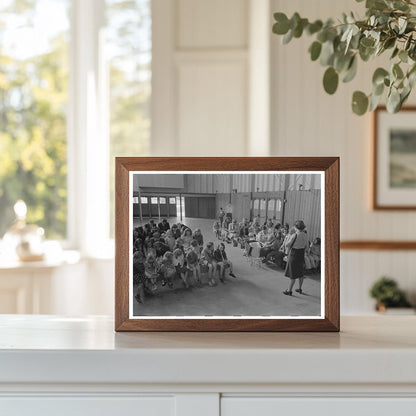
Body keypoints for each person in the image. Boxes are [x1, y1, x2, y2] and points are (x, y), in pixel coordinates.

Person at [283, 220, 309, 296]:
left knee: (292, 274)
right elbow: (307, 247)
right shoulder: (305, 235)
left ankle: (289, 290)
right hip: (301, 254)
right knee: (300, 273)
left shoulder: (295, 235)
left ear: (296, 227)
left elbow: (287, 245)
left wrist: (288, 237)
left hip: (294, 254)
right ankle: (300, 288)